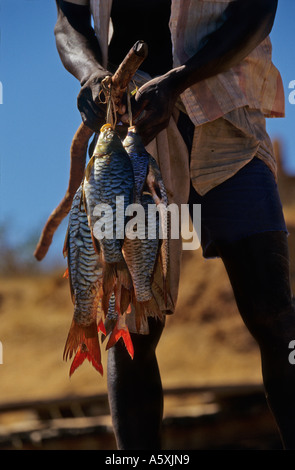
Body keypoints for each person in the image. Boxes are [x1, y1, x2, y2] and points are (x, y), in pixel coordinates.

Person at [54, 0, 295, 450]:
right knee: (130, 328)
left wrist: (181, 79)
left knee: (274, 311)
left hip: (226, 104)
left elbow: (260, 8)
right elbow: (69, 20)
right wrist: (89, 72)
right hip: (129, 126)